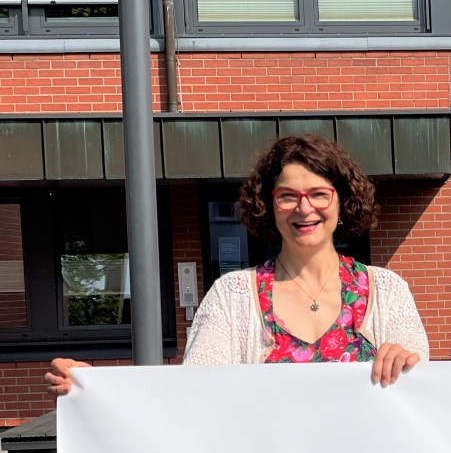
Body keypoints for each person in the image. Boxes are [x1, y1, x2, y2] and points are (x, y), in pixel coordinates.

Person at [45, 134, 429, 395]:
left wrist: (408, 363)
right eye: (287, 196)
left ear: (342, 201)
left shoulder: (388, 291)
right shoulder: (232, 296)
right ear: (268, 204)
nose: (304, 208)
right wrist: (99, 392)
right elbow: (195, 395)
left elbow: (425, 397)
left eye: (318, 194)